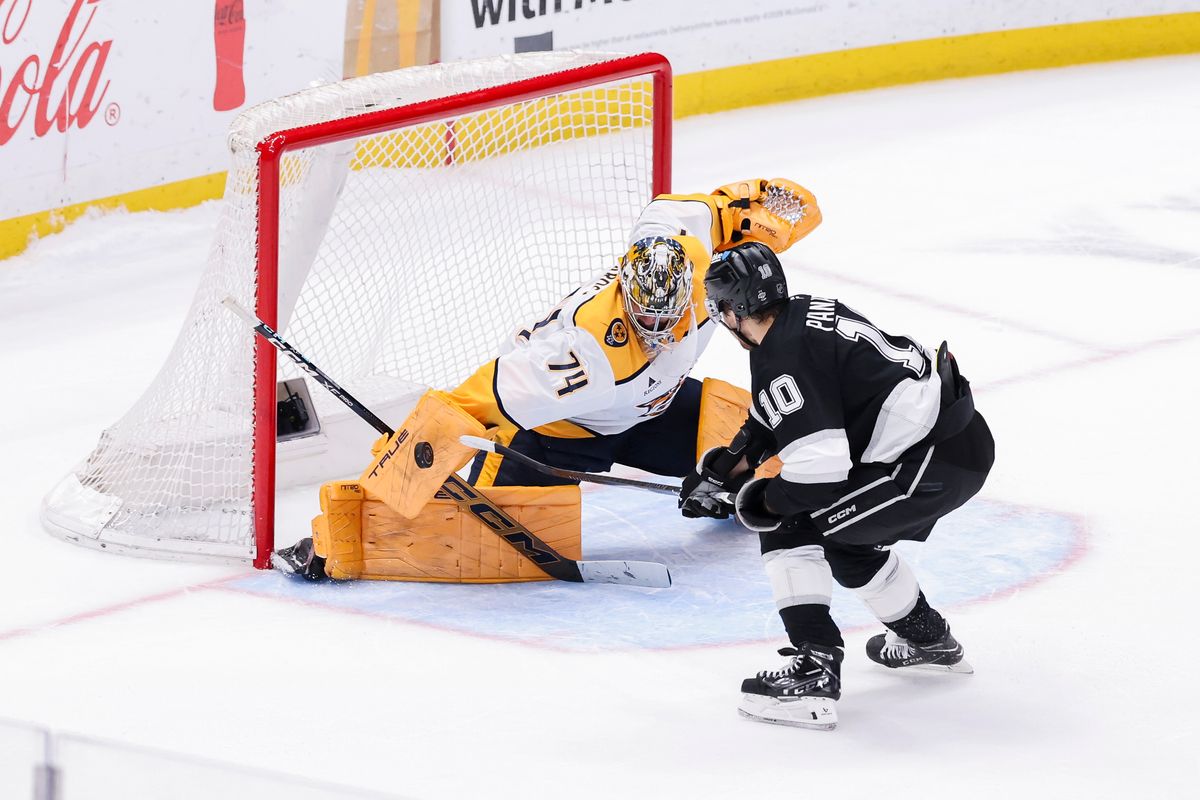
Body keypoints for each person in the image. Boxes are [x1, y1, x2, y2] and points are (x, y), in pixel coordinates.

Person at [274, 180, 822, 579]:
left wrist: (750, 208)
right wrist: (380, 487)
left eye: (667, 319)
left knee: (777, 458)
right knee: (480, 539)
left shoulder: (694, 260)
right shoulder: (580, 360)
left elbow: (696, 208)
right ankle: (332, 540)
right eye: (643, 319)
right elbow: (463, 410)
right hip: (560, 436)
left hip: (658, 410)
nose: (657, 333)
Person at [680, 242, 995, 730]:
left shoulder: (781, 355)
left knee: (791, 525)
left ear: (736, 308)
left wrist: (760, 502)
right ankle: (928, 640)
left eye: (720, 308)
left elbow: (820, 471)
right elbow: (781, 410)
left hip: (923, 463)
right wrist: (726, 467)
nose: (721, 319)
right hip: (953, 444)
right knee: (850, 544)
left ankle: (815, 670)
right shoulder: (800, 315)